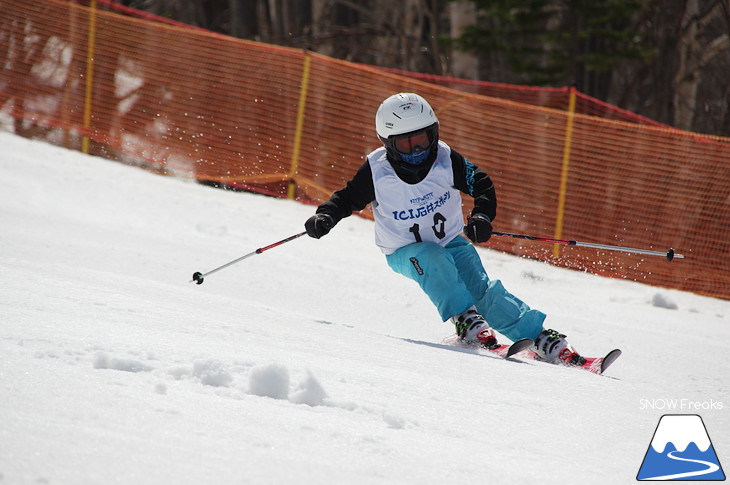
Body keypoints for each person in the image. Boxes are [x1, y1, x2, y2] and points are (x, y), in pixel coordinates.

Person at [305, 92, 578, 364]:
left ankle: (541, 338)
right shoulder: (377, 171)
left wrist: (482, 217)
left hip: (451, 242)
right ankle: (466, 322)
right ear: (388, 143)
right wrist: (326, 216)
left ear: (433, 133)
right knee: (430, 257)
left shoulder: (446, 159)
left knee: (482, 290)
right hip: (404, 252)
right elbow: (346, 198)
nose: (416, 151)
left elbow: (481, 183)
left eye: (421, 140)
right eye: (405, 144)